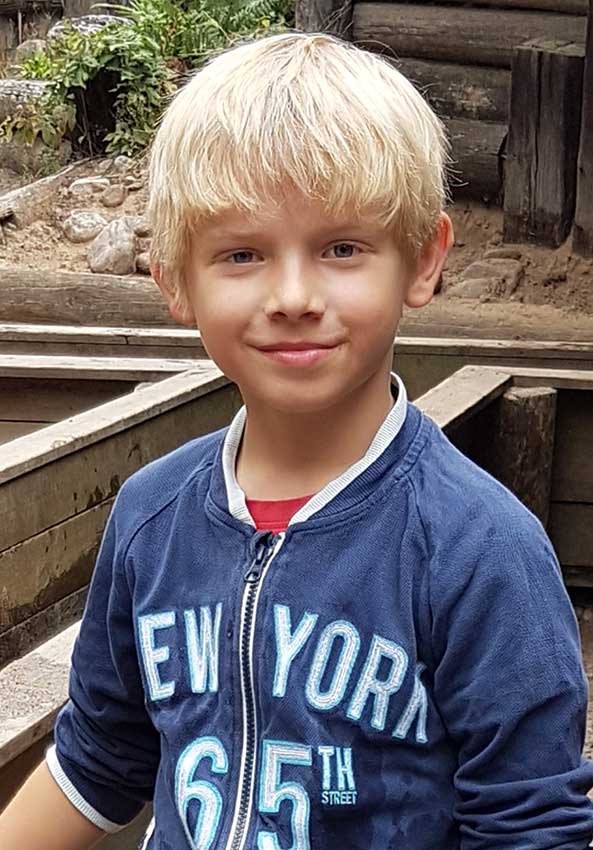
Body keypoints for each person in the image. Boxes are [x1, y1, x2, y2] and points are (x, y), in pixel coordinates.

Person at [1, 31, 592, 850]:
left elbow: (528, 826)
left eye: (341, 249)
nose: (291, 295)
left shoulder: (481, 550)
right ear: (174, 279)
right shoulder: (149, 516)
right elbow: (100, 758)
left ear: (421, 261)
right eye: (241, 254)